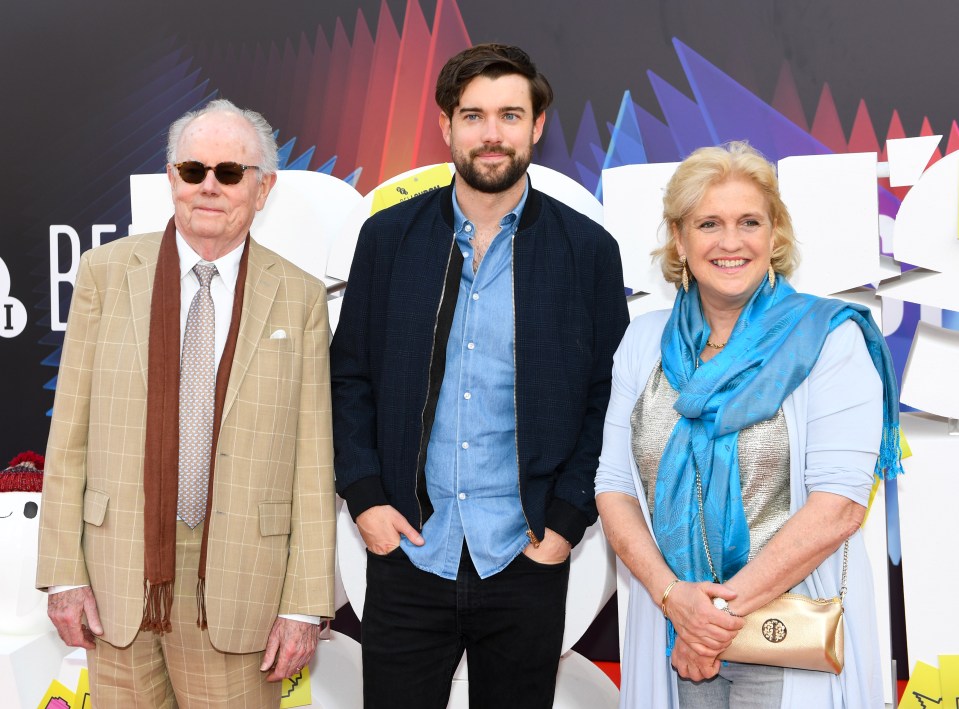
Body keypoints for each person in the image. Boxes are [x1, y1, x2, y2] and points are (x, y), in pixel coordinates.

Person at [330, 43, 629, 708]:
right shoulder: (387, 238)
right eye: (473, 116)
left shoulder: (586, 251)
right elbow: (349, 376)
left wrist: (564, 520)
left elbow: (609, 399)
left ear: (537, 125)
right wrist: (366, 497)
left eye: (509, 115)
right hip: (409, 551)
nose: (491, 134)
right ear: (445, 126)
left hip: (523, 556)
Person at [36, 99, 336, 708]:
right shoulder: (104, 272)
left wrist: (305, 604)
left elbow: (312, 461)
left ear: (262, 187)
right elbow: (68, 433)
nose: (209, 187)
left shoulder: (300, 296)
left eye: (229, 173)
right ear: (171, 177)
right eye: (193, 170)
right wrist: (63, 573)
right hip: (118, 575)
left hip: (241, 586)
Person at [595, 141, 900, 708]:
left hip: (790, 628)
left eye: (748, 222)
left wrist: (711, 619)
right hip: (672, 629)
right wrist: (673, 599)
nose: (730, 241)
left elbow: (839, 506)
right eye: (708, 223)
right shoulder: (643, 343)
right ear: (680, 240)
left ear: (775, 236)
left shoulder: (829, 338)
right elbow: (613, 486)